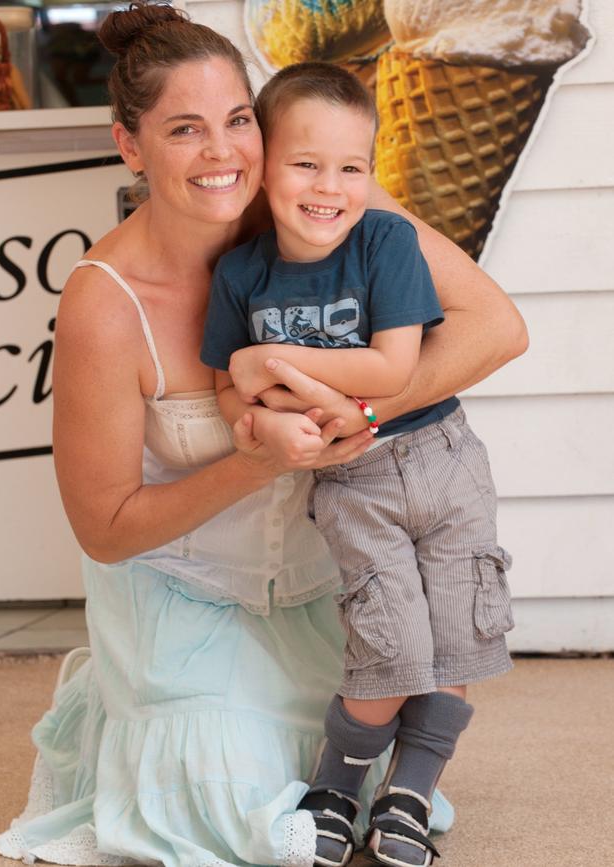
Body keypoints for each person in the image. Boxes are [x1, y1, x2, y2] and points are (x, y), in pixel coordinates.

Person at [0, 4, 527, 867]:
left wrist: (366, 411)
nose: (225, 153)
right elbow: (103, 524)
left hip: (319, 579)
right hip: (187, 599)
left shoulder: (318, 196)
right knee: (242, 813)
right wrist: (254, 460)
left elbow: (495, 326)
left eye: (239, 119)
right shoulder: (104, 300)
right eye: (185, 130)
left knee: (362, 762)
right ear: (130, 145)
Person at [200, 62, 515, 867]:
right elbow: (222, 383)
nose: (329, 187)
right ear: (265, 161)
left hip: (443, 461)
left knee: (456, 640)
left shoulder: (386, 240)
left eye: (352, 167)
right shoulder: (242, 273)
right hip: (353, 479)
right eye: (306, 163)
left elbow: (387, 370)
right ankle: (336, 787)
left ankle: (409, 791)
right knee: (388, 644)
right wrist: (246, 420)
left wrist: (273, 362)